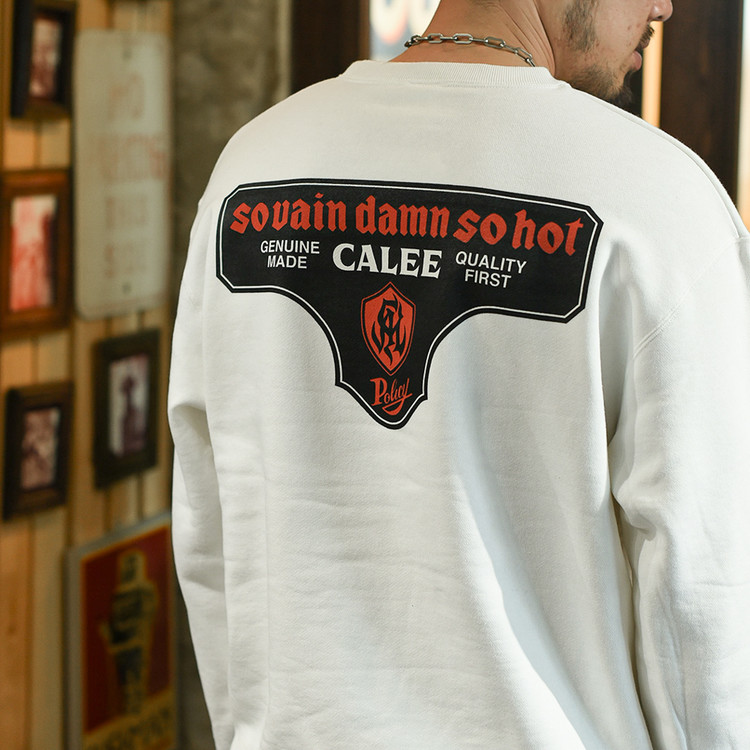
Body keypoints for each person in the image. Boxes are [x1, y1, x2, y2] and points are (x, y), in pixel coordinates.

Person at [168, 0, 750, 747]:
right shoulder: (658, 201)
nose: (663, 4)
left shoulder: (252, 172)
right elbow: (705, 602)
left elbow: (211, 532)